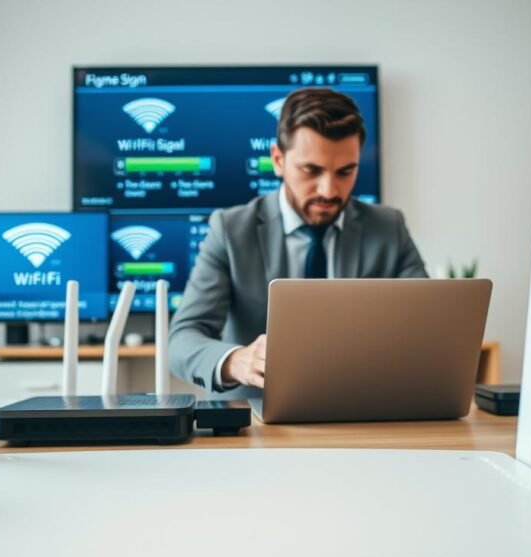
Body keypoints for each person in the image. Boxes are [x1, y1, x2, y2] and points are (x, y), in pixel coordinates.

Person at [168, 88, 428, 396]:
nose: (330, 190)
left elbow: (428, 329)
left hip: (364, 413)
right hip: (256, 420)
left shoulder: (389, 228)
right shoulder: (231, 230)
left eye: (346, 171)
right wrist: (239, 361)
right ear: (278, 160)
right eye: (311, 170)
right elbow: (182, 340)